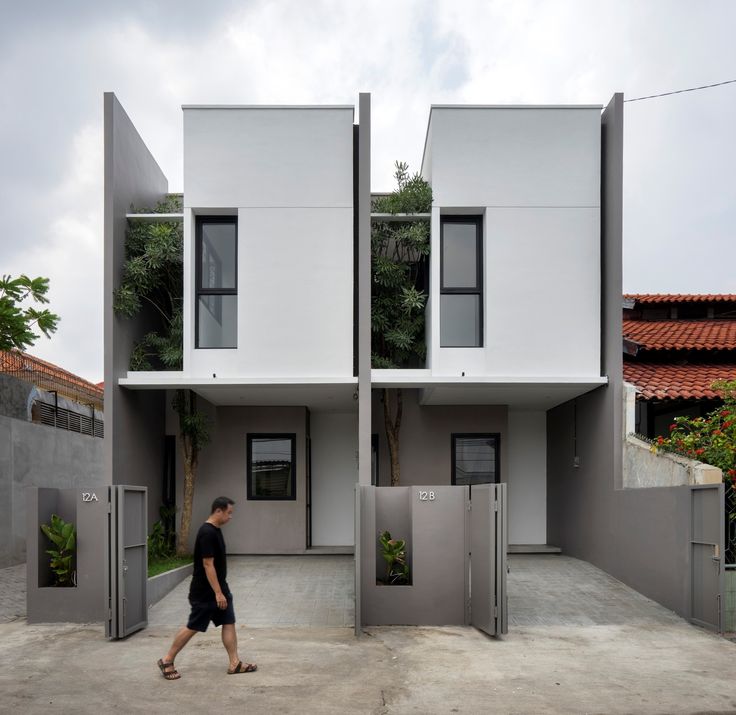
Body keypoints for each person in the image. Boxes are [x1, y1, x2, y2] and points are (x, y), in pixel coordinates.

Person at [157, 496, 257, 680]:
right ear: (218, 511)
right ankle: (167, 660)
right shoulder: (207, 533)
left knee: (228, 621)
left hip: (220, 588)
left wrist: (222, 590)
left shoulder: (215, 530)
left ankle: (234, 663)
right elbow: (207, 564)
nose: (231, 517)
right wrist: (218, 593)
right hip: (205, 591)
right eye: (229, 512)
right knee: (193, 625)